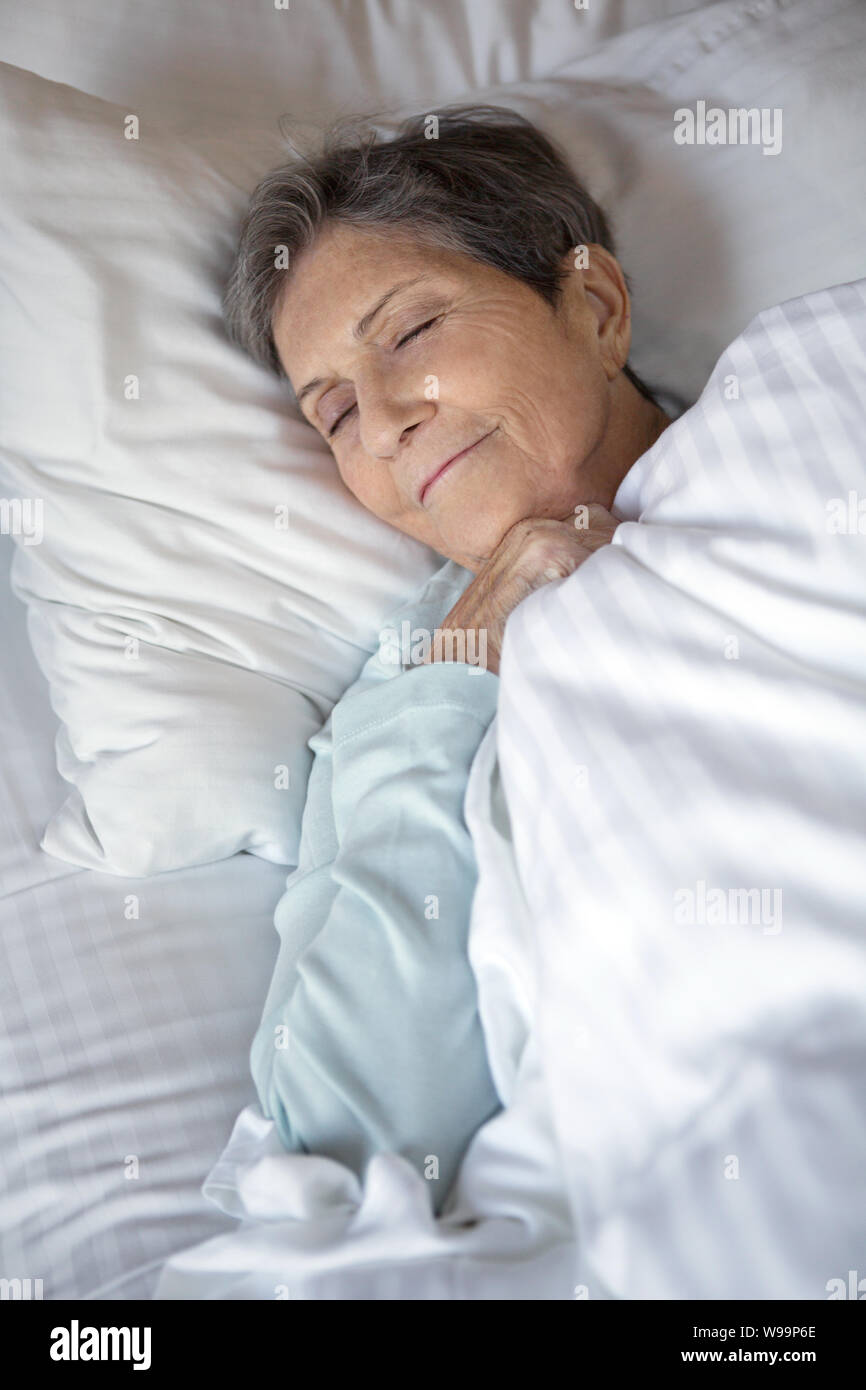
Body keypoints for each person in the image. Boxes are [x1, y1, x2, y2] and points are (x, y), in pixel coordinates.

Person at [223, 104, 671, 1215]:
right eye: (330, 411)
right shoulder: (392, 708)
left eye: (410, 333)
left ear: (595, 307)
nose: (378, 423)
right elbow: (358, 1129)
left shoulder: (807, 442)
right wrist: (460, 673)